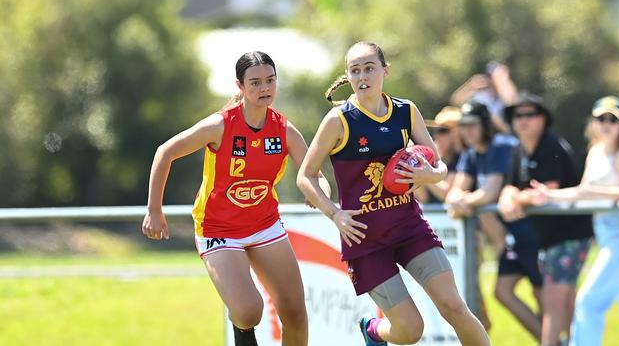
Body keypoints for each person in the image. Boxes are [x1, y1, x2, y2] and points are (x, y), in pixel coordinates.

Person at [296, 41, 491, 346]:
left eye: (370, 68)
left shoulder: (405, 111)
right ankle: (373, 330)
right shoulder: (339, 120)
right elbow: (305, 176)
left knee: (454, 306)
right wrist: (334, 213)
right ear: (347, 76)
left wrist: (430, 175)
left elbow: (438, 165)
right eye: (355, 70)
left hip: (409, 228)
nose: (363, 76)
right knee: (411, 331)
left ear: (385, 70)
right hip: (365, 239)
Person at [142, 51, 327, 346]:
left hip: (265, 225)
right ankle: (242, 330)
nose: (264, 88)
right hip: (219, 229)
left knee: (295, 314)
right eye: (255, 82)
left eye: (270, 81)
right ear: (239, 86)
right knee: (248, 311)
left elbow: (314, 174)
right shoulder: (220, 125)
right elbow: (165, 152)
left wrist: (320, 195)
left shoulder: (284, 129)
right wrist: (154, 210)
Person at [531, 96, 619, 346]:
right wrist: (549, 194)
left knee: (589, 302)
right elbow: (581, 190)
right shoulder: (595, 151)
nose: (606, 124)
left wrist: (590, 193)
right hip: (608, 234)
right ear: (593, 122)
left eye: (613, 119)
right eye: (601, 118)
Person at [498, 92, 594, 346]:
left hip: (572, 235)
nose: (523, 120)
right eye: (518, 115)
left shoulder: (551, 146)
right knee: (566, 304)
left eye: (530, 114)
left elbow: (546, 191)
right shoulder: (519, 149)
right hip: (550, 239)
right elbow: (510, 186)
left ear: (543, 119)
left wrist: (516, 200)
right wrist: (508, 198)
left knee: (553, 301)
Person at [446, 101, 543, 341]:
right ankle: (552, 341)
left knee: (545, 297)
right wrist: (460, 200)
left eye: (472, 125)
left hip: (535, 232)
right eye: (463, 126)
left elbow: (490, 193)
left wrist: (464, 202)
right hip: (514, 237)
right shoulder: (470, 153)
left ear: (486, 125)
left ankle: (559, 340)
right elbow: (454, 193)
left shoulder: (501, 146)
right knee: (503, 291)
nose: (466, 131)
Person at [450, 61, 518, 135]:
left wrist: (502, 81)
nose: (492, 80)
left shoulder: (506, 93)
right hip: (484, 134)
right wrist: (470, 86)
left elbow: (511, 102)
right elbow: (455, 101)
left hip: (504, 134)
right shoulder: (482, 96)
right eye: (489, 77)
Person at [415, 106, 464, 203]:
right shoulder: (435, 158)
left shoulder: (463, 157)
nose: (437, 136)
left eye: (442, 131)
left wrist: (424, 173)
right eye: (436, 131)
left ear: (456, 133)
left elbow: (446, 194)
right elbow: (423, 198)